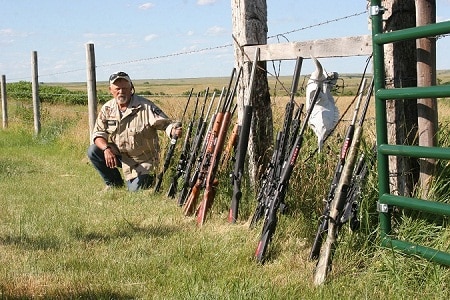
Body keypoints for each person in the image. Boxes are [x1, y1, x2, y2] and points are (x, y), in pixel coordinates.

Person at [87, 71, 182, 192]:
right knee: (94, 150)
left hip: (145, 160)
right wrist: (106, 149)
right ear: (110, 90)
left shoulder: (146, 106)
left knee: (135, 191)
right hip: (121, 156)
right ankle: (113, 183)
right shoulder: (107, 108)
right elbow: (98, 134)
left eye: (125, 88)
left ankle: (150, 177)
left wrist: (173, 130)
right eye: (117, 89)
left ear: (131, 88)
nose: (121, 92)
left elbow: (166, 124)